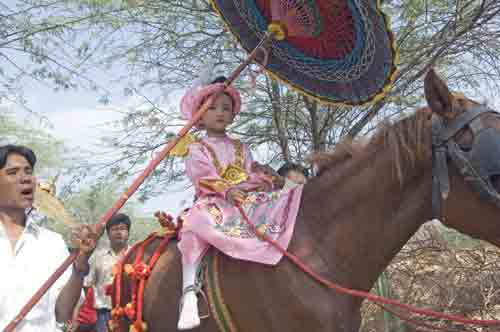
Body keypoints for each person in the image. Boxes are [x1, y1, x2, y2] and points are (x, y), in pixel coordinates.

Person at [176, 74, 304, 330]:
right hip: (214, 201)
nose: (220, 113)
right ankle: (189, 293)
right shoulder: (197, 148)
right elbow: (202, 176)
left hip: (245, 198)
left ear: (233, 115)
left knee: (280, 209)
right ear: (199, 115)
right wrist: (226, 190)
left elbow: (250, 171)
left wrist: (266, 179)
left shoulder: (241, 147)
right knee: (193, 227)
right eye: (212, 107)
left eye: (226, 108)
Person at [0, 144, 97, 332]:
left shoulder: (51, 243)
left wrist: (80, 266)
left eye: (28, 172)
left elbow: (63, 314)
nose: (25, 178)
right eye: (13, 172)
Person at [84, 213, 131, 332]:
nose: (119, 232)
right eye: (114, 229)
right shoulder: (98, 257)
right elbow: (87, 284)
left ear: (128, 232)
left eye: (122, 229)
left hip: (130, 314)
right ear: (108, 234)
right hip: (104, 314)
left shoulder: (136, 256)